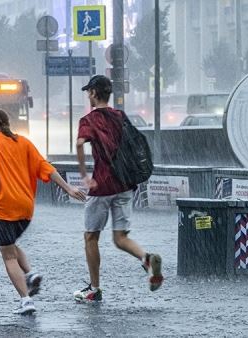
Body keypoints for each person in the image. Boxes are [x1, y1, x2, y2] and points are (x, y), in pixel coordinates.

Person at [0, 109, 85, 315]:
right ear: (7, 123)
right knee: (10, 245)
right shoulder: (24, 142)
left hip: (3, 205)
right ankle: (30, 273)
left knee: (8, 256)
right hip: (25, 207)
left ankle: (26, 299)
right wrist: (69, 188)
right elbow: (45, 167)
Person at [73, 75, 163, 302]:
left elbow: (79, 143)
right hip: (124, 183)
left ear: (94, 92)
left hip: (102, 184)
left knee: (91, 237)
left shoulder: (88, 120)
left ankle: (94, 289)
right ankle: (146, 258)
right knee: (120, 237)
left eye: (88, 92)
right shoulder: (120, 116)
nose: (88, 96)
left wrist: (85, 175)